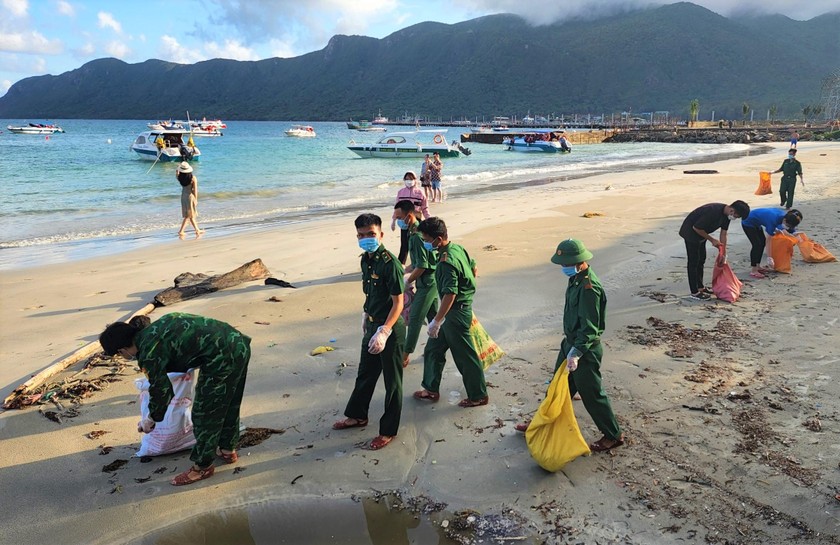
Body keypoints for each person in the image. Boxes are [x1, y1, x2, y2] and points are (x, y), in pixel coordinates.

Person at [98, 313, 251, 486]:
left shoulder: (148, 352)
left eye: (119, 355)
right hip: (237, 343)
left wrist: (151, 419)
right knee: (229, 401)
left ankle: (202, 467)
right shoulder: (152, 330)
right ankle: (227, 448)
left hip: (221, 357)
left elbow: (161, 391)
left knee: (205, 412)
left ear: (122, 350)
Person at [515, 239, 624, 452]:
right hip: (570, 343)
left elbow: (590, 328)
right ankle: (541, 422)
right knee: (556, 387)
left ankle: (613, 434)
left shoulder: (589, 288)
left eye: (565, 264)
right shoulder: (575, 279)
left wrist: (576, 353)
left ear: (579, 262)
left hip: (585, 350)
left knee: (592, 394)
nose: (563, 268)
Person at [333, 213, 406, 450]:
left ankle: (388, 431)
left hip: (390, 329)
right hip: (373, 324)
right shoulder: (366, 260)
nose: (366, 239)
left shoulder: (390, 263)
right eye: (362, 235)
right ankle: (357, 416)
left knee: (392, 382)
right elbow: (371, 293)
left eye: (371, 234)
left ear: (381, 234)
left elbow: (398, 303)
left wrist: (384, 330)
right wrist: (366, 314)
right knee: (365, 373)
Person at [413, 217, 488, 408]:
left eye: (427, 239)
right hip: (456, 311)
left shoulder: (446, 261)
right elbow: (473, 265)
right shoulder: (456, 248)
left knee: (465, 356)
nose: (425, 243)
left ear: (438, 239)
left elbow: (450, 294)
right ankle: (430, 389)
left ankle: (478, 395)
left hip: (455, 313)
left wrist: (437, 320)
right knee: (433, 349)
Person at [393, 200, 439, 368]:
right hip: (428, 280)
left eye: (399, 217)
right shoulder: (414, 232)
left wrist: (409, 280)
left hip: (427, 283)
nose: (397, 221)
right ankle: (440, 346)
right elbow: (418, 262)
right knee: (434, 318)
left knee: (414, 319)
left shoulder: (417, 236)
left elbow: (423, 265)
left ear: (409, 216)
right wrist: (404, 270)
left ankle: (405, 355)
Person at [678, 200, 751, 300]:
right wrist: (712, 240)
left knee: (701, 259)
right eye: (737, 216)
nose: (735, 218)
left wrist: (723, 253)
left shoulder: (727, 216)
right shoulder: (713, 212)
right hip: (691, 232)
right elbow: (696, 227)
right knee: (693, 262)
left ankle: (700, 287)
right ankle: (694, 292)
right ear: (732, 210)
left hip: (702, 233)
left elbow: (723, 233)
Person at [741, 208, 802, 278]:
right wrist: (769, 257)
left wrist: (794, 233)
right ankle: (754, 270)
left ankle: (758, 266)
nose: (788, 227)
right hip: (748, 222)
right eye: (788, 225)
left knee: (762, 243)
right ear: (785, 220)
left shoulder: (786, 216)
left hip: (757, 222)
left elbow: (788, 227)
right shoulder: (773, 219)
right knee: (757, 245)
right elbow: (769, 239)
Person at [390, 172, 431, 265]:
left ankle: (420, 261)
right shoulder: (400, 193)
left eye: (411, 179)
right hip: (404, 221)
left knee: (418, 241)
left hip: (416, 220)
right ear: (404, 180)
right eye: (407, 179)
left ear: (415, 180)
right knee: (404, 244)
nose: (409, 181)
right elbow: (397, 208)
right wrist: (393, 221)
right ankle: (401, 264)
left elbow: (425, 208)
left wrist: (429, 219)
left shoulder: (420, 193)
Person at [176, 161, 203, 238]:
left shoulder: (180, 177)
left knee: (191, 215)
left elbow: (177, 173)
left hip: (183, 196)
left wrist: (177, 169)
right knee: (188, 216)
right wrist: (196, 199)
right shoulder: (193, 178)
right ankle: (181, 231)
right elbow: (195, 190)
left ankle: (197, 230)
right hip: (190, 196)